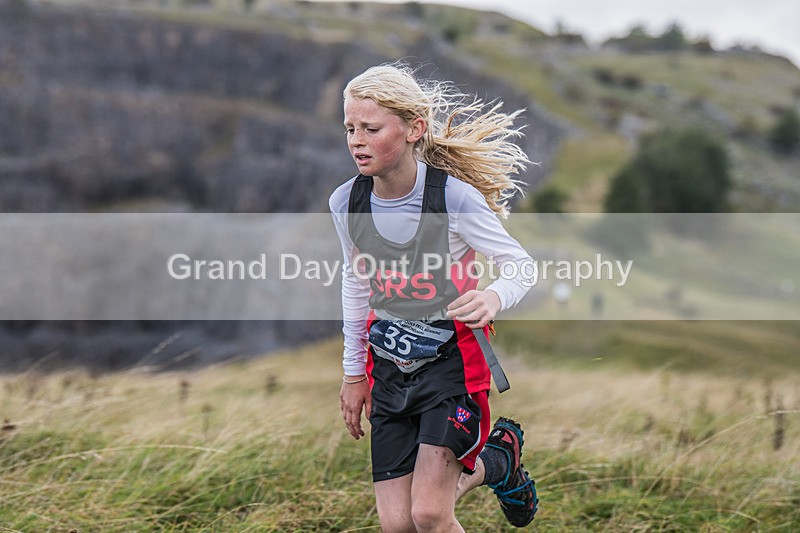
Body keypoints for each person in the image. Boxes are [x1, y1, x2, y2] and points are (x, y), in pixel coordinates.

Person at [329, 62, 539, 531]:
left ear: (412, 129)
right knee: (398, 525)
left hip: (453, 366)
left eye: (371, 128)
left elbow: (521, 266)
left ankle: (495, 458)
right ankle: (498, 459)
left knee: (429, 512)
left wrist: (493, 298)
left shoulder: (454, 199)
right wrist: (352, 372)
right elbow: (356, 283)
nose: (356, 140)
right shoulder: (346, 202)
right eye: (349, 128)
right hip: (388, 368)